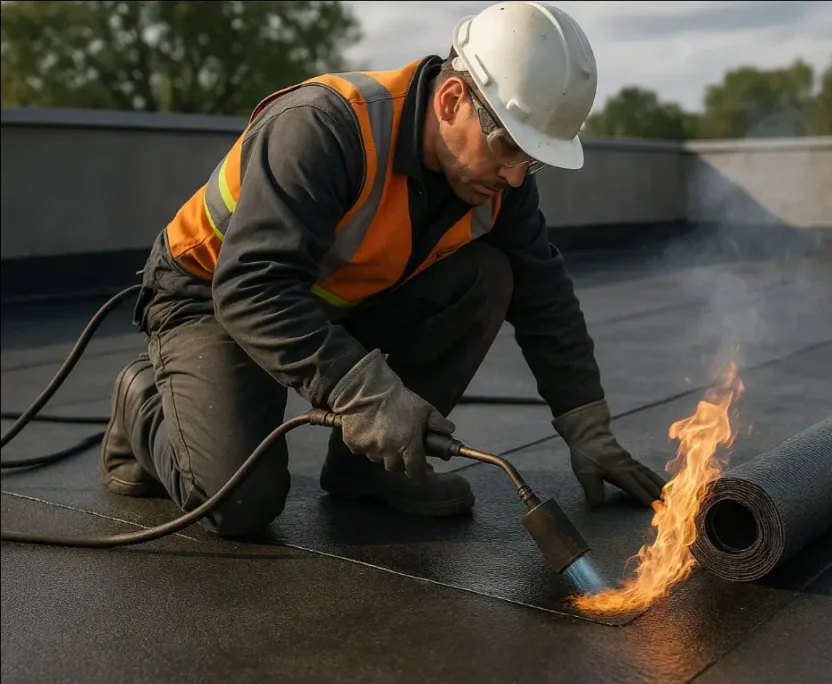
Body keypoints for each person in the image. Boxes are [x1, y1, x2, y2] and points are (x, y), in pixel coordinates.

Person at [100, 1, 666, 538]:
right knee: (239, 503)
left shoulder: (500, 178)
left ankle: (370, 470)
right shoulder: (324, 127)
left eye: (532, 159)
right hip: (211, 296)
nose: (517, 176)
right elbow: (252, 287)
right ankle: (142, 401)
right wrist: (366, 396)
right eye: (509, 147)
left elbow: (544, 293)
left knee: (489, 276)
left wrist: (586, 426)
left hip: (332, 300)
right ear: (450, 101)